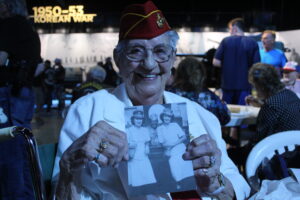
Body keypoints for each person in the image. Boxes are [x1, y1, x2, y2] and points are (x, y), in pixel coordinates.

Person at [52, 1, 250, 199]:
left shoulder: (196, 113)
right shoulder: (87, 112)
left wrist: (216, 182)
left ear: (173, 58)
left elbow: (237, 186)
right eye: (136, 51)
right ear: (117, 59)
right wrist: (68, 167)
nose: (148, 64)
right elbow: (59, 193)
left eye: (160, 52)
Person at [0, 0, 41, 199]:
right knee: (22, 147)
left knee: (9, 150)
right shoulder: (29, 30)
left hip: (8, 94)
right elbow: (39, 66)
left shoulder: (8, 25)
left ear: (7, 6)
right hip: (24, 92)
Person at [246, 63, 300, 143]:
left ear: (261, 86)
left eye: (255, 86)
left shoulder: (271, 105)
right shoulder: (290, 95)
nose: (255, 90)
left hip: (276, 151)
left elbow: (259, 141)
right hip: (294, 148)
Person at [169, 57, 231, 126]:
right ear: (202, 74)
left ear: (178, 74)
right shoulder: (209, 97)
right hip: (206, 135)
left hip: (179, 135)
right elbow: (226, 117)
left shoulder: (169, 94)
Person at [213, 18, 260, 105]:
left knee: (227, 113)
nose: (230, 32)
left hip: (227, 85)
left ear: (234, 28)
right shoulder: (253, 43)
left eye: (230, 29)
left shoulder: (226, 41)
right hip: (245, 86)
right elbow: (256, 66)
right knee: (243, 113)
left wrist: (228, 64)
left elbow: (216, 62)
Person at [156, 108, 193, 186]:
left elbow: (184, 137)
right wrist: (170, 145)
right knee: (175, 169)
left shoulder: (175, 125)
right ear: (162, 117)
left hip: (180, 149)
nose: (167, 118)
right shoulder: (159, 128)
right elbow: (162, 143)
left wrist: (172, 144)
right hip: (170, 151)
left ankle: (188, 184)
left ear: (171, 118)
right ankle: (178, 184)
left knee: (187, 168)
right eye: (165, 116)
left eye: (169, 117)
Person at [127, 110, 156, 187]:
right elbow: (127, 144)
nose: (138, 121)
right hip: (134, 154)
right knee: (136, 179)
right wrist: (132, 145)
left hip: (143, 154)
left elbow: (147, 141)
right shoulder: (129, 130)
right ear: (133, 120)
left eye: (140, 119)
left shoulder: (145, 129)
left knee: (147, 177)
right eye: (136, 119)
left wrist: (147, 147)